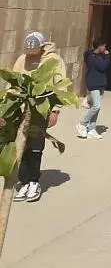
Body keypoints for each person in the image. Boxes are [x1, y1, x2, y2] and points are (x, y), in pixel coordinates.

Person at [11, 32, 67, 203]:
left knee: (35, 147)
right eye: (28, 50)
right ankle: (24, 181)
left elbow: (60, 85)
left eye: (34, 50)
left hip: (42, 108)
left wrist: (56, 110)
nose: (30, 53)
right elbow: (13, 81)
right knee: (20, 146)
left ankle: (34, 181)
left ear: (42, 47)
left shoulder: (54, 60)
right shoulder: (22, 59)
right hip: (21, 108)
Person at [77, 39, 110, 139]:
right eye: (103, 46)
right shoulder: (91, 57)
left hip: (100, 83)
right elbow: (102, 66)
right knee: (96, 106)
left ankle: (91, 128)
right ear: (99, 47)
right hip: (93, 83)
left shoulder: (99, 56)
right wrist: (106, 56)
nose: (105, 48)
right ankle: (82, 123)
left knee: (95, 108)